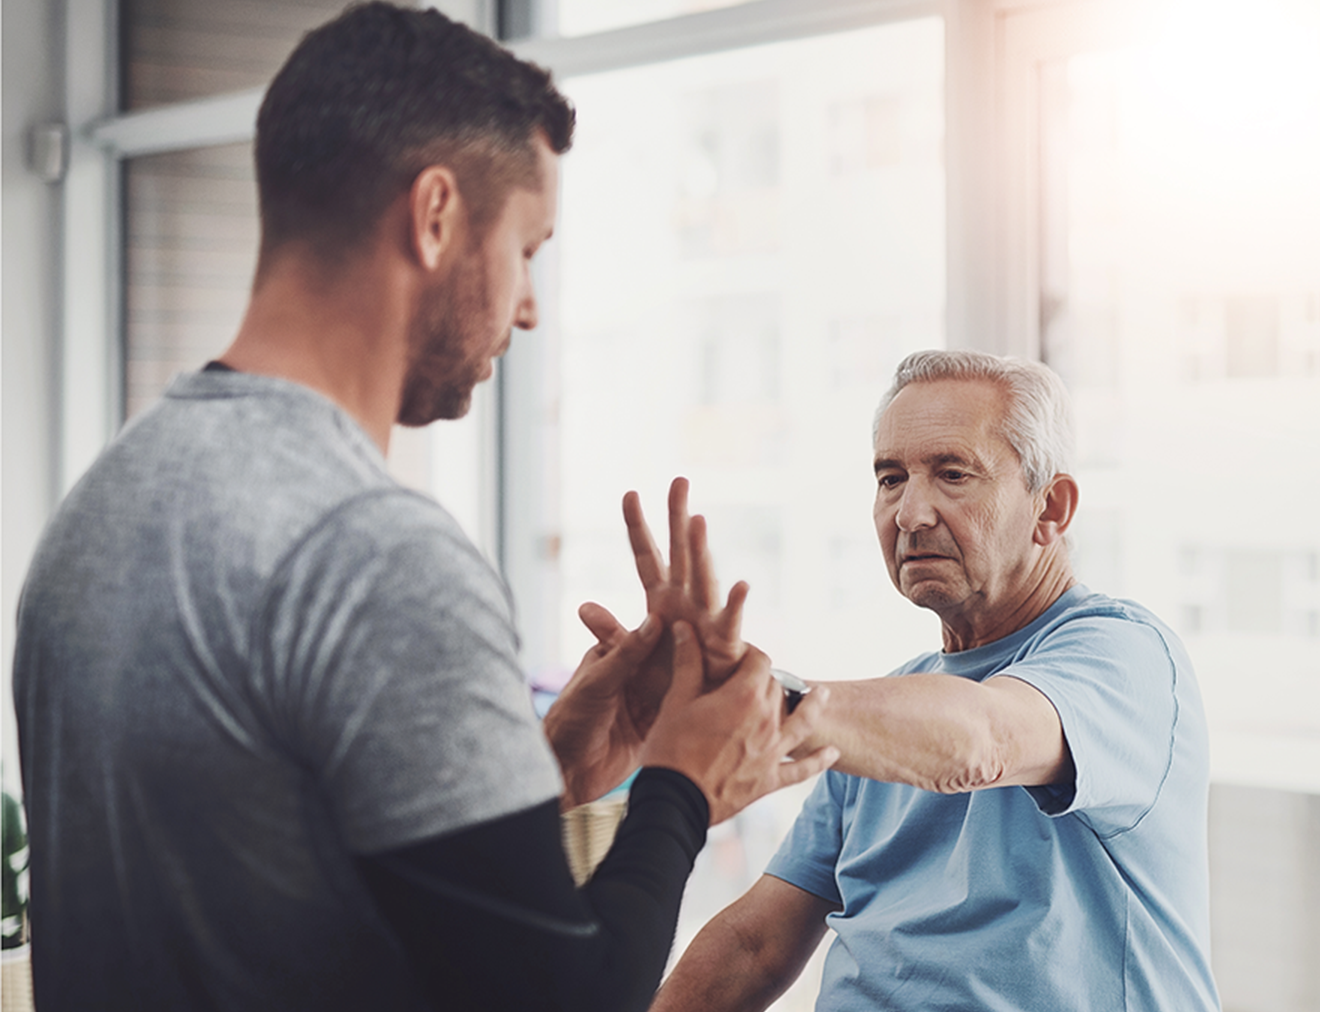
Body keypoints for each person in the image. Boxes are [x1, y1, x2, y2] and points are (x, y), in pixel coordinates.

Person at [9, 6, 833, 1011]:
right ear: (436, 214)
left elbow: (254, 892)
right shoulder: (374, 554)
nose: (531, 305)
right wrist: (682, 787)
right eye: (528, 249)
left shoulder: (101, 505)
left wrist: (539, 779)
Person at [645, 350, 1222, 1012]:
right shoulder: (879, 716)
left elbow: (984, 738)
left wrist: (756, 698)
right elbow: (755, 946)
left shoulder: (1125, 655)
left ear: (1050, 507)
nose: (911, 513)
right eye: (890, 479)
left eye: (952, 474)